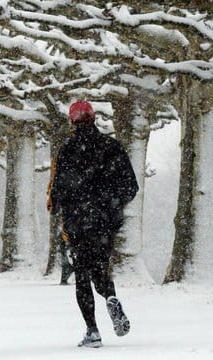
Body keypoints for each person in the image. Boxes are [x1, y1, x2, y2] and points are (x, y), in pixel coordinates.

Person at [50, 100, 138, 348]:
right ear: (94, 118)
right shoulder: (112, 147)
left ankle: (92, 330)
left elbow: (58, 191)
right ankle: (110, 296)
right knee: (100, 265)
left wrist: (63, 210)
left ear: (72, 122)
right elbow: (131, 186)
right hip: (105, 222)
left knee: (81, 273)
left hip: (78, 221)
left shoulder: (67, 150)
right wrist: (113, 204)